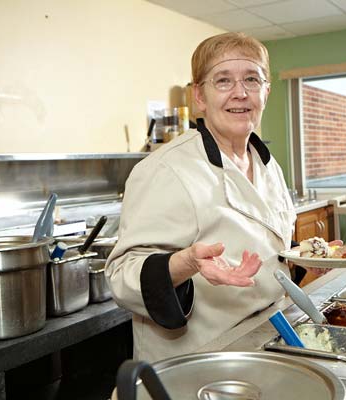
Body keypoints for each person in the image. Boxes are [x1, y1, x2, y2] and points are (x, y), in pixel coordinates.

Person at [105, 32, 297, 363]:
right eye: (223, 81)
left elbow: (272, 250)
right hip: (198, 359)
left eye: (252, 79)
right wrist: (186, 263)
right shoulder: (167, 168)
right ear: (200, 97)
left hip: (264, 340)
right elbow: (122, 277)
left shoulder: (266, 163)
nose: (240, 92)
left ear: (266, 91)